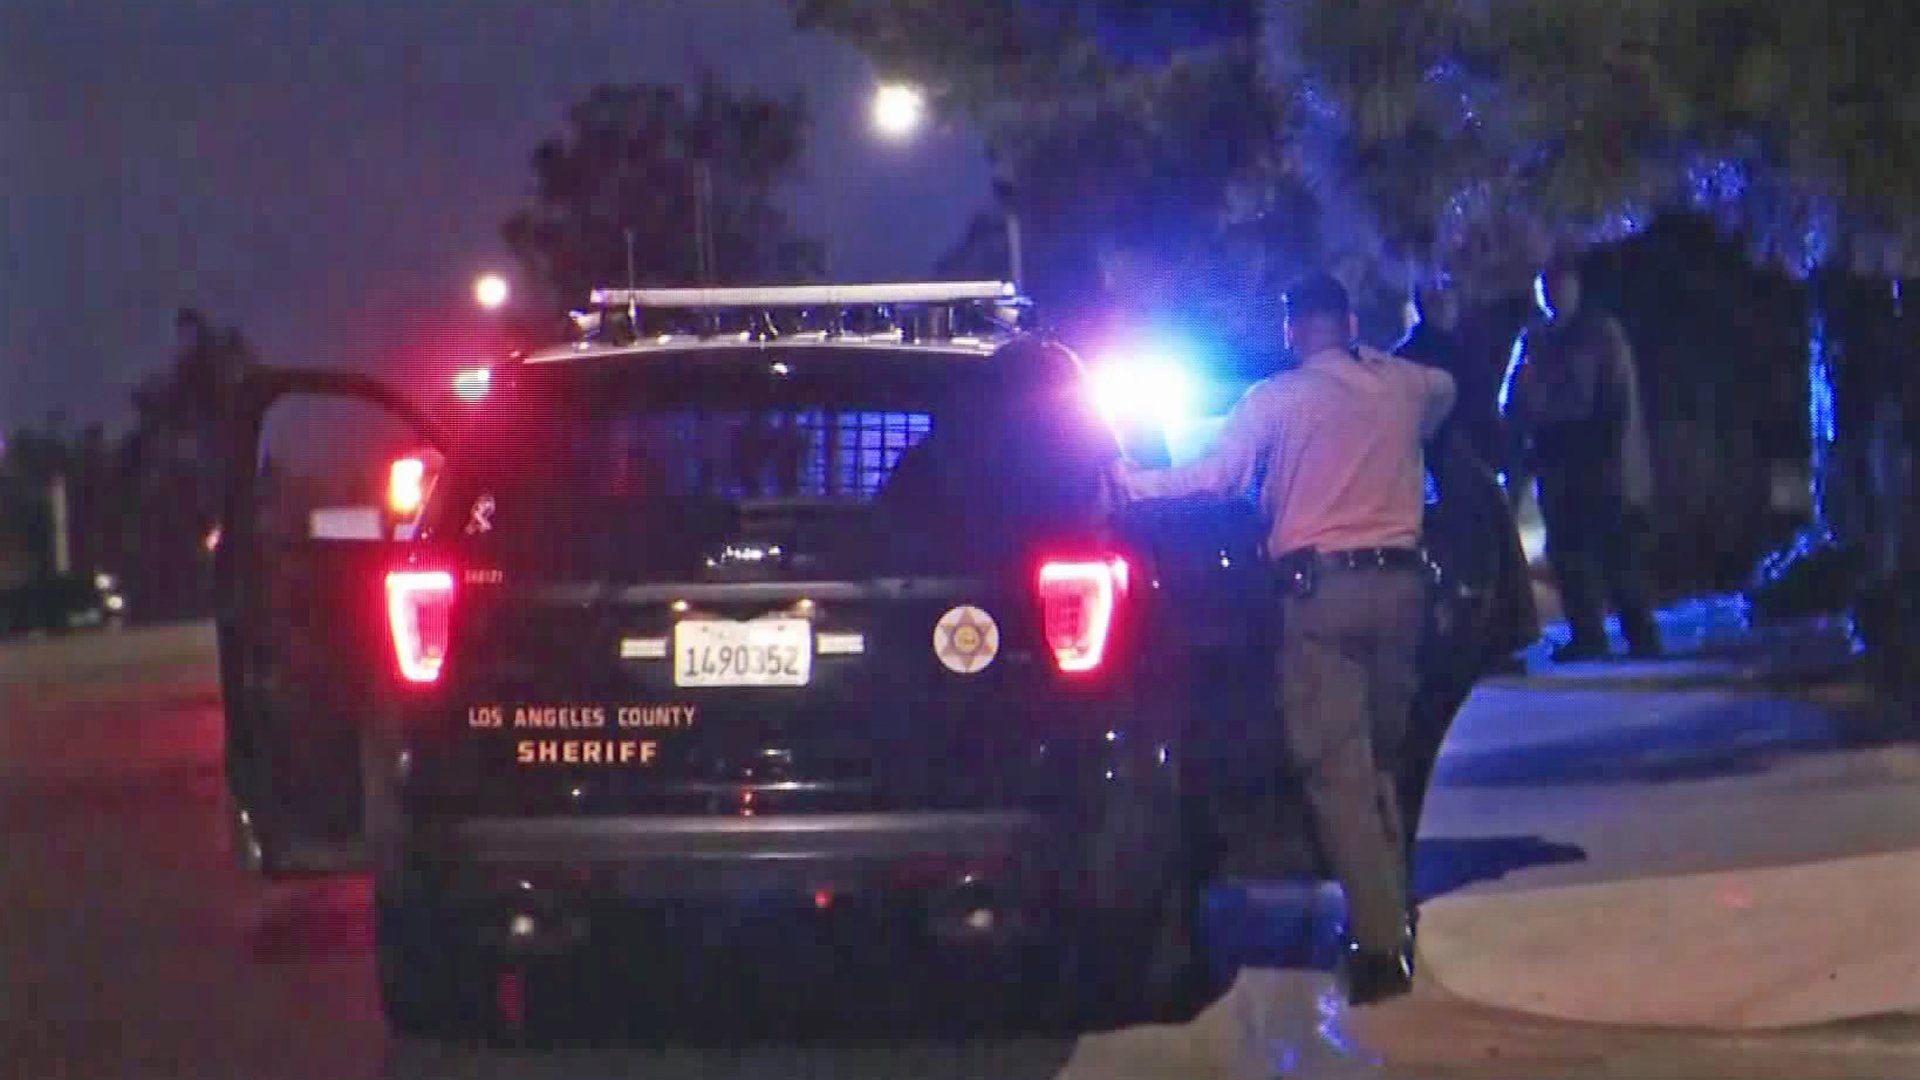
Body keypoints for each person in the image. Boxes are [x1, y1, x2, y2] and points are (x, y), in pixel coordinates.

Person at [1110, 273, 1455, 1006]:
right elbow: (1447, 390)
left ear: (1292, 329)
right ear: (1351, 321)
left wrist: (1129, 484)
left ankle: (1379, 946)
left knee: (1337, 773)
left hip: (1320, 598)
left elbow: (1214, 476)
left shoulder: (1275, 400)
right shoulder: (1402, 386)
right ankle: (1394, 907)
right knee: (1381, 763)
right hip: (1402, 592)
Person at [1502, 255, 1664, 662]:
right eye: (1546, 287)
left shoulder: (1600, 334)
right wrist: (1522, 442)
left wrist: (1612, 455)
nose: (1552, 294)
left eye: (1559, 284)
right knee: (1569, 552)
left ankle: (1640, 632)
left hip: (1598, 458)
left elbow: (1616, 400)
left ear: (1574, 286)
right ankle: (1588, 633)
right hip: (1556, 458)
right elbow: (1515, 397)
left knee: (1616, 551)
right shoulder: (1535, 338)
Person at [1394, 277, 1502, 472]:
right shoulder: (1405, 357)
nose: (1442, 300)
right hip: (1427, 462)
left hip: (1474, 457)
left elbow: (1486, 405)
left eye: (1447, 292)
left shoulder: (1475, 347)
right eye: (1433, 296)